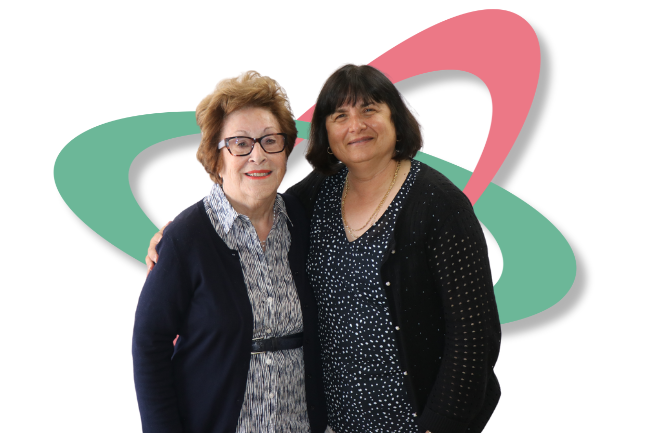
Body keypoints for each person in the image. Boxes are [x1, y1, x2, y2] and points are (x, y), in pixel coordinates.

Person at [148, 65, 501, 433]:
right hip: (332, 425)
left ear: (396, 119)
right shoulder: (318, 195)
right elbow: (255, 205)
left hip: (416, 422)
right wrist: (172, 239)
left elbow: (474, 336)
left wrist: (438, 427)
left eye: (369, 109)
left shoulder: (439, 204)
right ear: (325, 133)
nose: (356, 125)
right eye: (340, 115)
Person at [133, 71, 327, 433]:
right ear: (216, 157)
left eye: (270, 140)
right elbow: (149, 344)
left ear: (286, 150)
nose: (258, 155)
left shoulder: (303, 221)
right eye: (240, 143)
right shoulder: (186, 238)